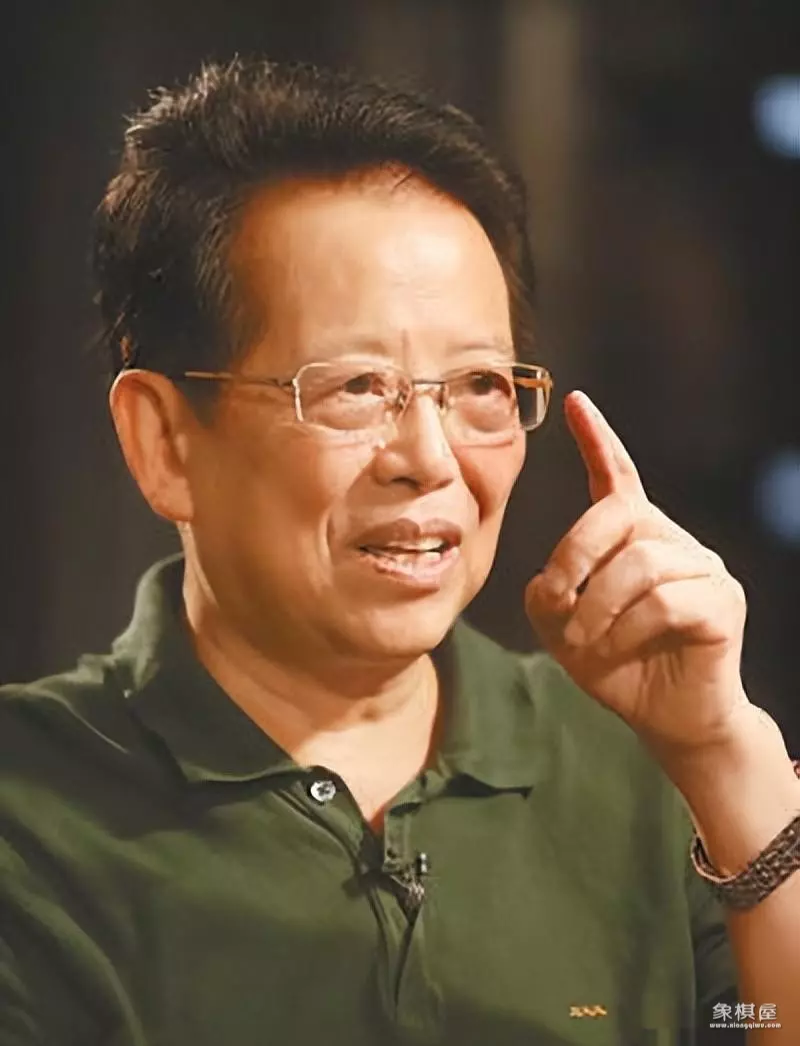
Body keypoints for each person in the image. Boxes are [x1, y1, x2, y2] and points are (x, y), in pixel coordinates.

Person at [1, 58, 798, 1046]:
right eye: (354, 388)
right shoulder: (31, 819)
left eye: (479, 385)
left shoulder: (641, 765)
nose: (429, 458)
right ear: (165, 442)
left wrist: (725, 757)